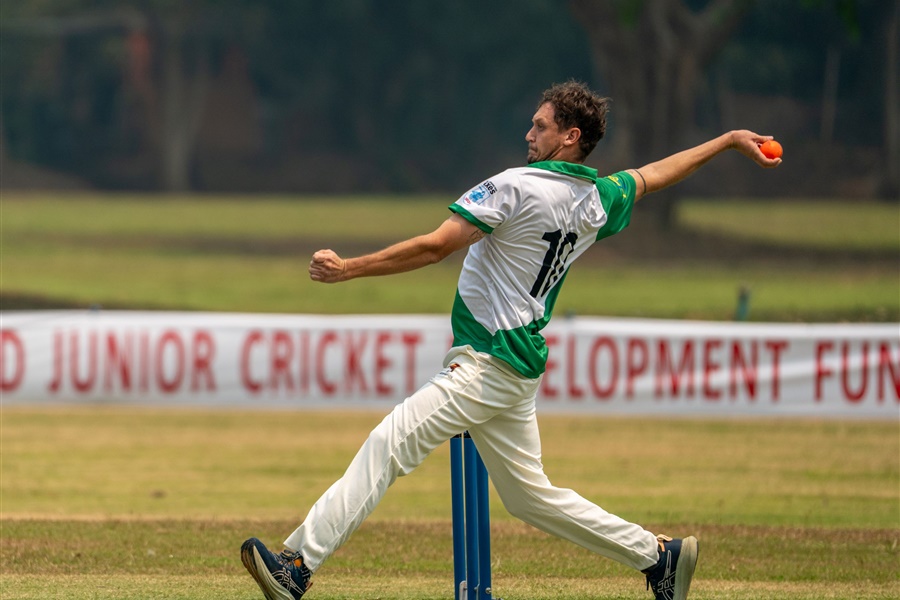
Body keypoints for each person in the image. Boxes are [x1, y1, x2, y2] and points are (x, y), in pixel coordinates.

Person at [240, 80, 781, 600]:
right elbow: (656, 173)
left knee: (390, 443)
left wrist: (349, 269)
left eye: (540, 126)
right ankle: (658, 558)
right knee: (530, 499)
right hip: (517, 368)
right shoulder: (598, 199)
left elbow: (435, 247)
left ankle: (296, 567)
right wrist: (729, 141)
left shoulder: (515, 186)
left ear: (570, 136)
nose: (530, 134)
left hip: (486, 361)